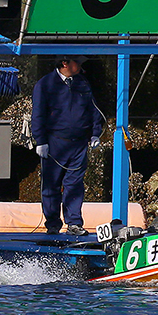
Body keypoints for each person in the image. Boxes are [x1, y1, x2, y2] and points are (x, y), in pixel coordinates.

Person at [30, 56, 103, 236]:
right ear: (65, 63)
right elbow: (38, 114)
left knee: (75, 184)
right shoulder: (45, 84)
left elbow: (93, 109)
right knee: (51, 185)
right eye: (76, 62)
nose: (80, 66)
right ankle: (53, 224)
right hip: (55, 142)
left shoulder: (82, 83)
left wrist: (95, 132)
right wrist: (41, 141)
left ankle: (74, 223)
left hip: (78, 143)